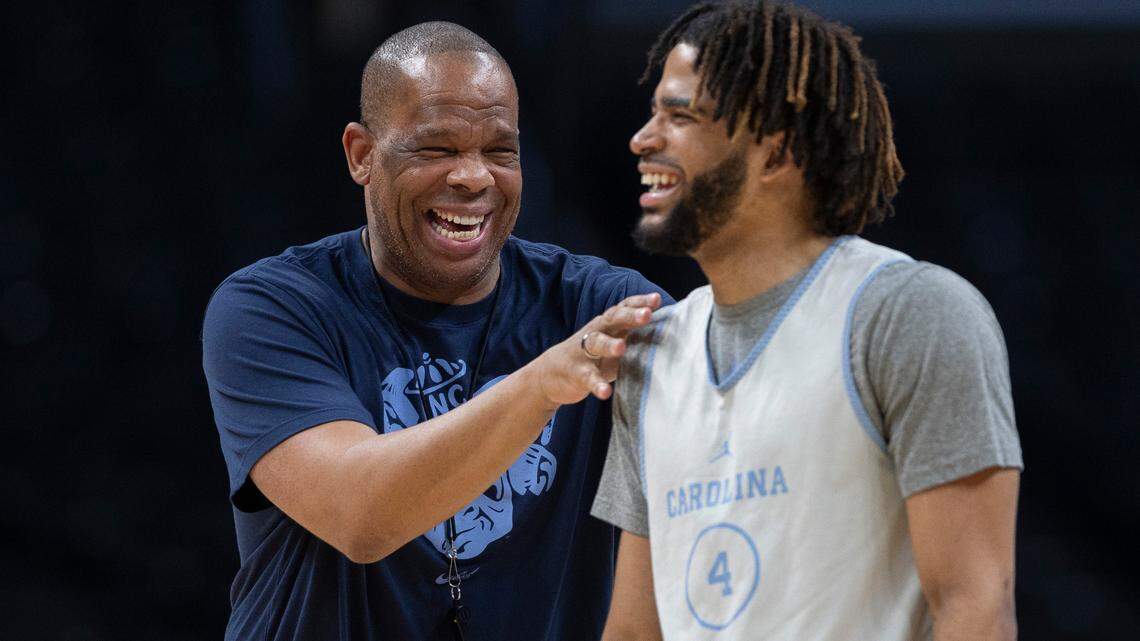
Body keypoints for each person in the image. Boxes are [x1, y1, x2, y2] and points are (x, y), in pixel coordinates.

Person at [201, 22, 668, 641]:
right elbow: (360, 516)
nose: (474, 177)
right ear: (361, 154)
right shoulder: (271, 308)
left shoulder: (594, 303)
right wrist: (544, 384)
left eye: (500, 152)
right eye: (436, 149)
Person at [591, 2, 1023, 640]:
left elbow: (975, 607)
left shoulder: (908, 313)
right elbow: (633, 631)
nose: (644, 138)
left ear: (775, 154)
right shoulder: (649, 351)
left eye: (679, 115)